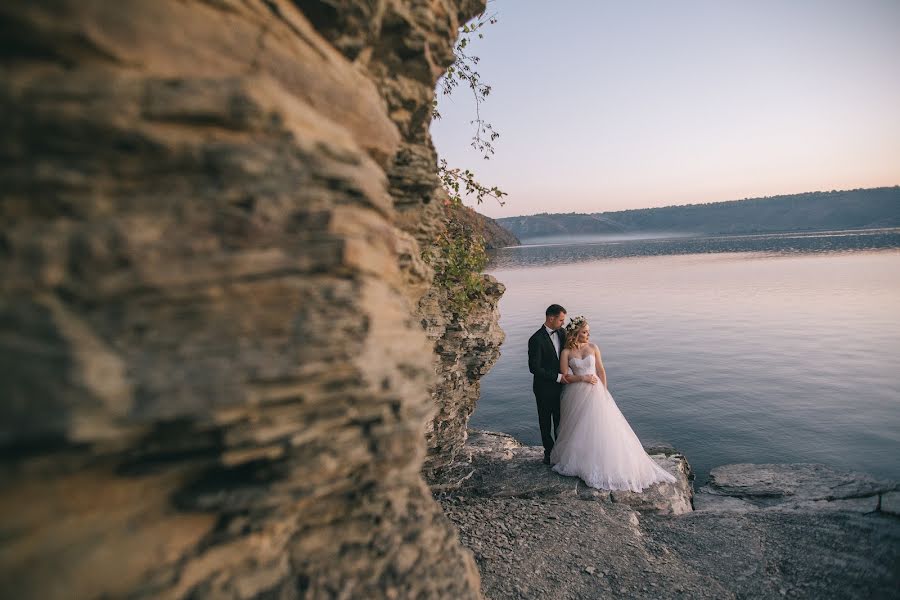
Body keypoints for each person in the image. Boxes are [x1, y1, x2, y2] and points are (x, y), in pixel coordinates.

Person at [550, 316, 677, 491]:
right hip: (576, 391)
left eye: (588, 332)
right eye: (584, 332)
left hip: (595, 391)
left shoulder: (593, 347)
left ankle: (603, 460)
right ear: (575, 333)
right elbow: (565, 376)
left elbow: (601, 371)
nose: (588, 335)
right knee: (578, 427)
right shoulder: (566, 352)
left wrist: (604, 391)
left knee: (600, 425)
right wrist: (582, 377)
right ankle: (581, 460)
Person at [528, 304, 571, 465]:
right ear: (550, 318)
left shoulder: (562, 333)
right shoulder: (535, 339)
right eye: (561, 320)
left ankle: (560, 452)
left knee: (561, 421)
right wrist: (558, 377)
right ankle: (548, 453)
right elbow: (534, 368)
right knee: (545, 422)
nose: (562, 323)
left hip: (562, 388)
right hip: (544, 389)